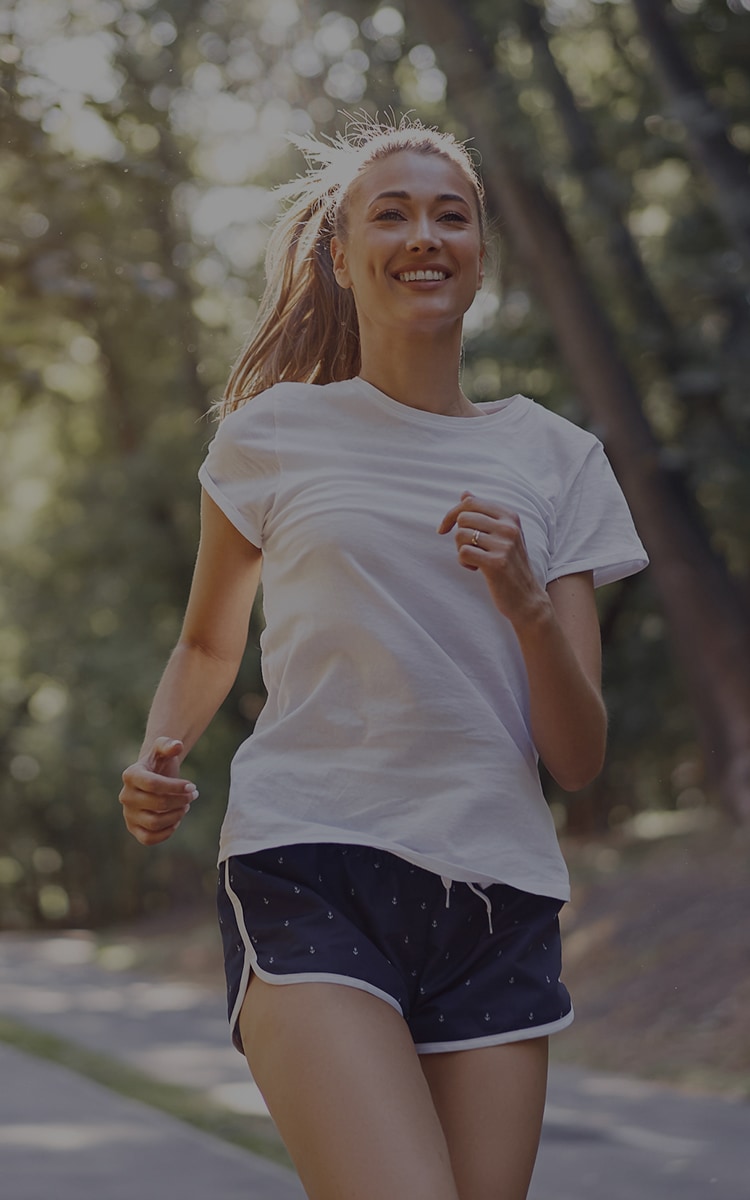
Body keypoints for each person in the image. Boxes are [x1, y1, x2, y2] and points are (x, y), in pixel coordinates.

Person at [120, 115, 648, 1200]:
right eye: (392, 214)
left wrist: (527, 607)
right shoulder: (272, 435)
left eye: (451, 216)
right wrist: (158, 752)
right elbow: (209, 639)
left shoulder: (560, 460)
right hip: (310, 860)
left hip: (497, 892)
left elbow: (579, 757)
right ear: (341, 253)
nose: (423, 236)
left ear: (480, 254)